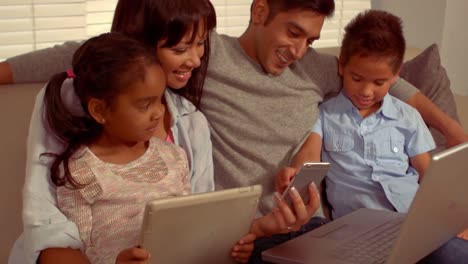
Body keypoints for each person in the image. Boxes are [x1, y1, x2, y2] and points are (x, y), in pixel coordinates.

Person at [2, 0, 467, 261]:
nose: (301, 49)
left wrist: (450, 128)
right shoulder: (205, 55)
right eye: (293, 32)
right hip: (250, 237)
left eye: (310, 38)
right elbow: (92, 54)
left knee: (448, 253)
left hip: (316, 226)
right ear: (259, 11)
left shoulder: (317, 68)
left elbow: (385, 74)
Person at [275, 9, 468, 263]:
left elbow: (430, 177)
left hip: (412, 225)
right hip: (356, 234)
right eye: (357, 78)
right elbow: (309, 154)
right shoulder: (326, 115)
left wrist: (452, 220)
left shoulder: (408, 117)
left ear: (396, 74)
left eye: (379, 82)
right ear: (342, 65)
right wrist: (296, 174)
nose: (366, 91)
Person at [42, 32, 192, 263]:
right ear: (100, 111)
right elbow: (83, 249)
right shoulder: (81, 172)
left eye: (160, 99)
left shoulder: (174, 156)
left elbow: (192, 226)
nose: (158, 112)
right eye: (145, 105)